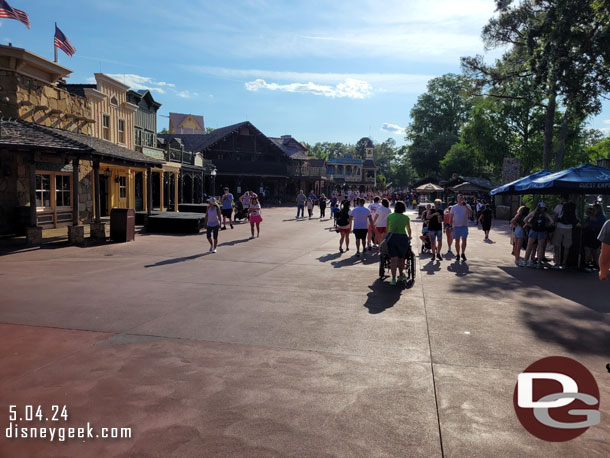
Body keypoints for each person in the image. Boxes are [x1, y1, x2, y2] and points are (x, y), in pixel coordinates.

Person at [386, 201, 412, 285]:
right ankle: (400, 275)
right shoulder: (406, 217)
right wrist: (409, 236)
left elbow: (387, 229)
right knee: (401, 259)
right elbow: (409, 229)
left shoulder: (390, 216)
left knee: (393, 259)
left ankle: (393, 279)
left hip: (392, 238)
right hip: (402, 238)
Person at [523, 202, 554, 268]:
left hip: (533, 230)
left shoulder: (533, 212)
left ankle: (525, 261)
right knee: (540, 247)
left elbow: (525, 220)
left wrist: (530, 225)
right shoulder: (545, 214)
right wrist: (546, 226)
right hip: (542, 231)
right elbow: (552, 221)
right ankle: (539, 263)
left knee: (529, 246)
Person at [552, 195, 579, 269]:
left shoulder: (559, 206)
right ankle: (564, 263)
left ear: (562, 198)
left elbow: (555, 216)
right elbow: (576, 218)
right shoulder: (574, 206)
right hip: (569, 227)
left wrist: (553, 223)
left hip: (559, 226)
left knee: (556, 245)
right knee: (567, 246)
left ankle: (557, 263)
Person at [583, 204, 607, 271]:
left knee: (595, 250)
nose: (593, 210)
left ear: (598, 209)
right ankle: (587, 263)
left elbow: (600, 224)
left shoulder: (601, 216)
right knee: (588, 249)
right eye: (592, 208)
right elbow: (586, 224)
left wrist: (590, 215)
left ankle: (597, 264)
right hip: (589, 234)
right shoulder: (591, 216)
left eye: (594, 209)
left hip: (597, 234)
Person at [450, 194, 472, 261]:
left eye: (462, 198)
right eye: (460, 198)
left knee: (464, 240)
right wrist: (450, 226)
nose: (461, 199)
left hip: (464, 226)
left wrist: (465, 206)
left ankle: (463, 253)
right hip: (456, 226)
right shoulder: (454, 207)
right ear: (457, 199)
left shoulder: (467, 206)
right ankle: (458, 254)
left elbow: (470, 213)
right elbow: (451, 217)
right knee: (457, 241)